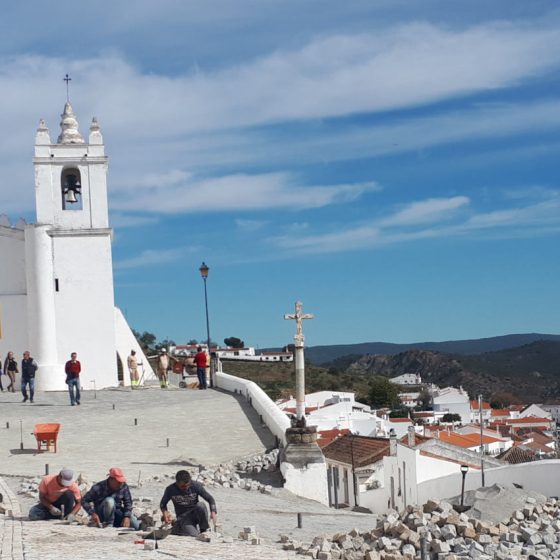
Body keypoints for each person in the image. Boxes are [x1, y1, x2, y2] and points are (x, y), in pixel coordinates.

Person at [160, 470, 217, 536]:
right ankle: (177, 527)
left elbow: (210, 499)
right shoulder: (170, 489)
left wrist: (213, 512)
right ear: (177, 483)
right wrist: (165, 513)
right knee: (194, 535)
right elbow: (162, 504)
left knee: (201, 505)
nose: (186, 488)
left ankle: (203, 530)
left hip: (195, 513)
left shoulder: (196, 485)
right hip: (184, 517)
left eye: (188, 485)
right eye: (183, 486)